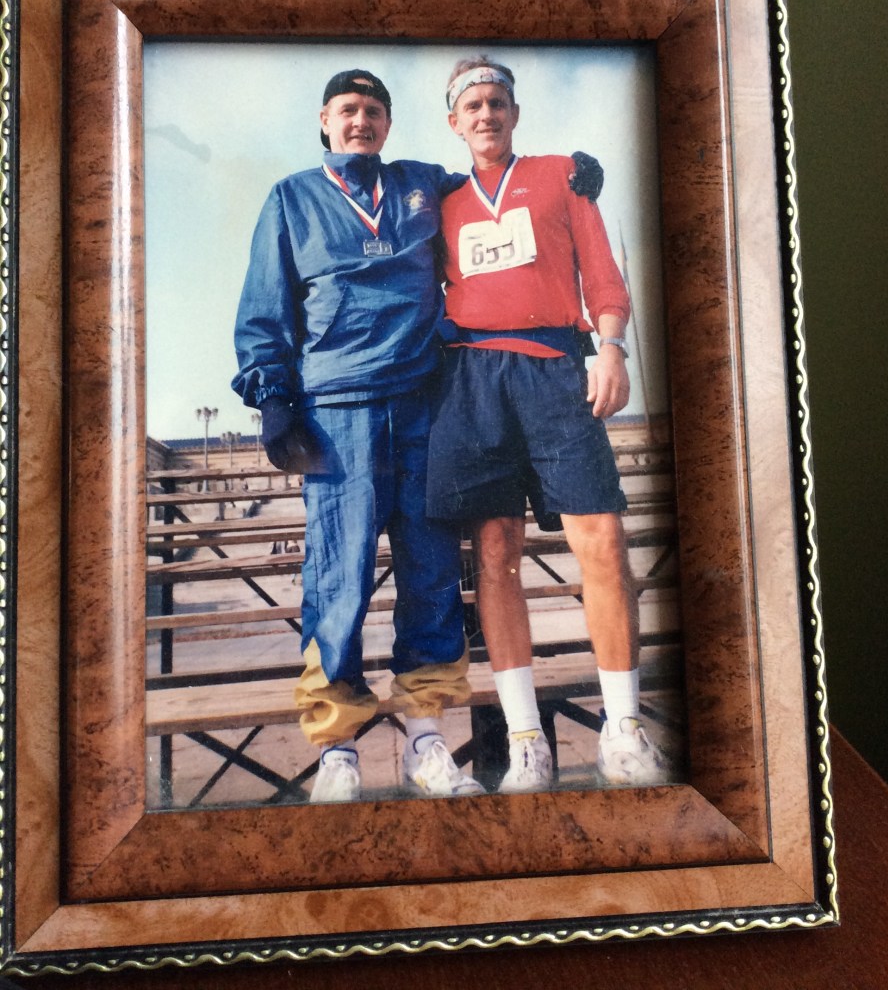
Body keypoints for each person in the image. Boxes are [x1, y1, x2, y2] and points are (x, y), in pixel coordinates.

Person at [232, 70, 484, 803]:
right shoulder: (291, 197)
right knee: (337, 579)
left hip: (422, 403)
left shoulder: (422, 183)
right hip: (337, 411)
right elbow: (263, 309)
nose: (362, 121)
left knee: (432, 571)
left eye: (374, 110)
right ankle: (337, 748)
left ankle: (427, 740)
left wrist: (566, 182)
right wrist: (274, 399)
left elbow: (491, 176)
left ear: (389, 122)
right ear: (325, 120)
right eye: (349, 109)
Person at [426, 57, 668, 793]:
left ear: (515, 112)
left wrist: (613, 347)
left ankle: (623, 730)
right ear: (454, 122)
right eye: (471, 105)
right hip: (475, 382)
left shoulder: (562, 174)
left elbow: (601, 274)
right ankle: (527, 740)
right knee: (496, 553)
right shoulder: (439, 199)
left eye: (497, 101)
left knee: (601, 540)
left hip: (559, 371)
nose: (485, 114)